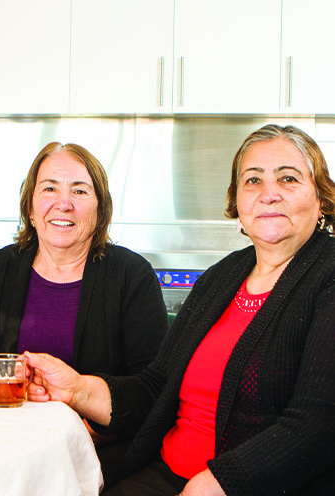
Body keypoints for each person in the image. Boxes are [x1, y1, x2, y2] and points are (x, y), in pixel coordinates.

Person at [25, 124, 335, 495]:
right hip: (167, 474)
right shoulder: (222, 277)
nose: (268, 194)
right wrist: (77, 389)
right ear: (237, 203)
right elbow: (156, 388)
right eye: (252, 180)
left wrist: (220, 481)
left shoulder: (327, 275)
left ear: (322, 199)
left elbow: (318, 422)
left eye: (288, 179)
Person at [0, 142, 167, 381]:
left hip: (92, 428)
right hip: (9, 421)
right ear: (30, 207)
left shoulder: (133, 277)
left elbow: (149, 387)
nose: (64, 204)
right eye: (49, 188)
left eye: (79, 191)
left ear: (100, 210)